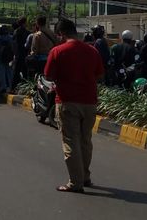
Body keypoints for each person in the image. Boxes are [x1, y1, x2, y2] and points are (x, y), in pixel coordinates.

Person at [44, 18, 104, 194]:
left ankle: (75, 182)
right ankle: (85, 176)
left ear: (61, 34)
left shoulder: (57, 51)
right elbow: (100, 74)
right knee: (86, 140)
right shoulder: (92, 51)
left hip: (67, 101)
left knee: (70, 141)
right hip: (90, 102)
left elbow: (48, 76)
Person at [0, 25, 15, 94]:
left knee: (1, 73)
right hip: (9, 58)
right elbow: (13, 48)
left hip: (0, 58)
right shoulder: (11, 38)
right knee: (10, 72)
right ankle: (11, 86)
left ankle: (3, 87)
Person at [12, 17, 31, 88]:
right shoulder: (27, 32)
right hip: (24, 54)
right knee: (25, 72)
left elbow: (14, 44)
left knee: (16, 72)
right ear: (24, 23)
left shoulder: (16, 31)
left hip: (18, 54)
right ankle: (25, 88)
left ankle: (13, 88)